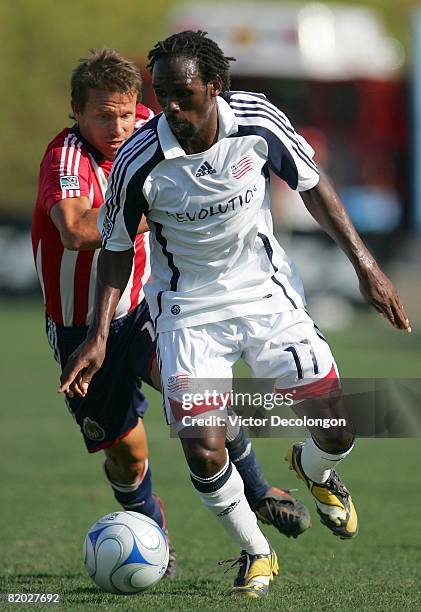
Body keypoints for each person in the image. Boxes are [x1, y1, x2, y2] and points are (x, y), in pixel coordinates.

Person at [59, 33, 411, 598]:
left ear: (214, 88)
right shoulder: (139, 158)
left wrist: (367, 267)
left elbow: (314, 186)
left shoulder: (258, 121)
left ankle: (316, 471)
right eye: (162, 93)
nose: (168, 106)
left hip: (266, 294)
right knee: (203, 443)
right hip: (187, 309)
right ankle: (257, 552)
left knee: (339, 424)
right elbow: (117, 249)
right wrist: (99, 334)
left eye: (182, 93)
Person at [32, 46, 312, 580]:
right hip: (81, 325)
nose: (116, 126)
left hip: (148, 307)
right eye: (101, 115)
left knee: (201, 398)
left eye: (125, 112)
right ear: (76, 110)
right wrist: (154, 211)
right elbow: (74, 230)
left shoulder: (163, 128)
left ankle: (258, 491)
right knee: (128, 454)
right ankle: (149, 530)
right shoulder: (66, 157)